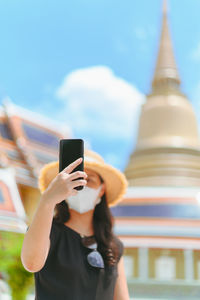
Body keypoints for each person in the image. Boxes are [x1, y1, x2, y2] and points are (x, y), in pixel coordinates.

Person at [21, 148, 130, 300]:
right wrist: (48, 200)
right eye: (76, 180)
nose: (82, 186)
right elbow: (31, 263)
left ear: (101, 190)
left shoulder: (113, 245)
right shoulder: (48, 232)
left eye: (89, 179)